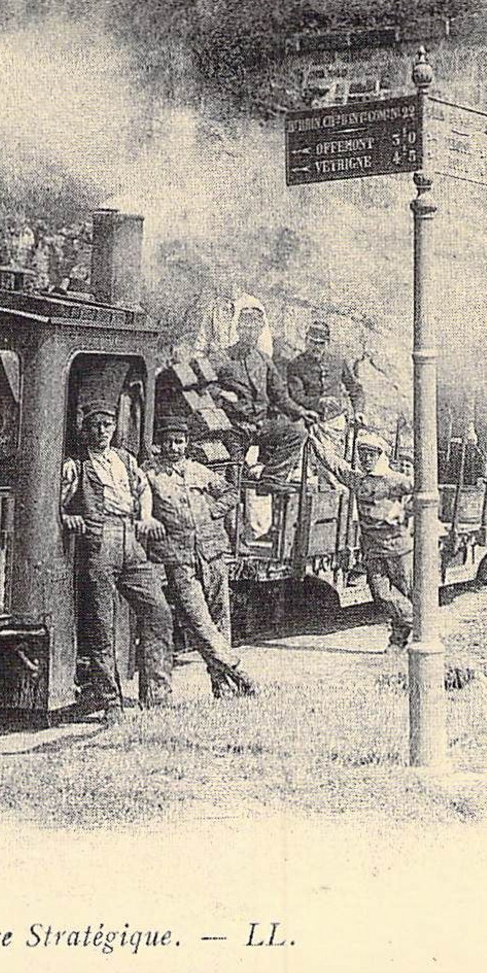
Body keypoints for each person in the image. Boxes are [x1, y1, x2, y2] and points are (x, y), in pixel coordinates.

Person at [61, 400, 175, 718]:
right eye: (95, 425)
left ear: (114, 427)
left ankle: (156, 696)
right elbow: (58, 502)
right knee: (102, 625)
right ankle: (110, 701)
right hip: (99, 543)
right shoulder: (75, 465)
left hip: (131, 538)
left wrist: (147, 516)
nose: (101, 431)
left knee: (159, 613)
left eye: (107, 425)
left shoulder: (125, 459)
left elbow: (143, 489)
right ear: (85, 430)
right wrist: (67, 516)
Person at [145, 418, 255, 698]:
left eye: (179, 442)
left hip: (212, 551)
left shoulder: (199, 472)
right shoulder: (149, 475)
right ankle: (236, 669)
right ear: (159, 444)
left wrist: (214, 512)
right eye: (168, 442)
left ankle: (222, 686)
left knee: (220, 619)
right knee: (199, 621)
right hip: (178, 557)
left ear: (186, 444)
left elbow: (231, 493)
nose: (173, 447)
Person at [323, 431, 416, 650]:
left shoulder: (398, 481)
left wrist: (404, 514)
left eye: (370, 455)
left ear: (380, 455)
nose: (365, 459)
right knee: (381, 594)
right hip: (373, 550)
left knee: (403, 593)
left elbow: (424, 498)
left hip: (398, 549)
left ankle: (398, 642)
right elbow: (334, 464)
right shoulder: (359, 480)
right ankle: (416, 620)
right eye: (362, 454)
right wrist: (313, 439)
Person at [215, 298, 315, 486]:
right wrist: (220, 394)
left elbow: (280, 396)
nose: (250, 334)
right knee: (233, 480)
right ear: (238, 329)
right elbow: (201, 384)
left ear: (260, 331)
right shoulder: (222, 357)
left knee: (297, 432)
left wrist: (301, 412)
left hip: (260, 426)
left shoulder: (264, 360)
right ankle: (237, 481)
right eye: (245, 328)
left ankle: (272, 478)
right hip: (233, 428)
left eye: (254, 329)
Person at [286, 320, 365, 422]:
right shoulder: (296, 365)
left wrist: (358, 411)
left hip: (336, 418)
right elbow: (296, 396)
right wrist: (318, 402)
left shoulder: (338, 362)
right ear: (306, 341)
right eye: (313, 342)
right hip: (309, 417)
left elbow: (355, 389)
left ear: (328, 343)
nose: (317, 347)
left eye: (321, 343)